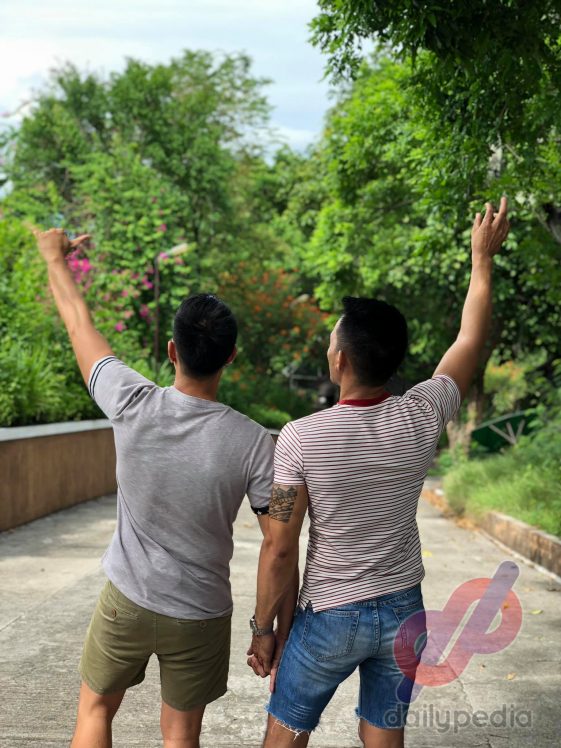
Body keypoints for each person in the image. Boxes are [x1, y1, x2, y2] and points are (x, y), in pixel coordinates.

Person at [248, 199, 510, 747]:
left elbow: (278, 546)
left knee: (284, 736)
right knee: (386, 738)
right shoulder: (422, 413)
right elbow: (468, 341)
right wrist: (481, 260)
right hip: (403, 613)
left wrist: (264, 628)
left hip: (329, 616)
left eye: (331, 343)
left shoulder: (300, 437)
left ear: (341, 360)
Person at [32, 228, 294, 748]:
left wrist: (54, 258)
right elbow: (281, 542)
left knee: (95, 711)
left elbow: (79, 323)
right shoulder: (257, 444)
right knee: (179, 736)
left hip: (126, 601)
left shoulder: (129, 400)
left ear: (173, 350)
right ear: (231, 356)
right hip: (201, 615)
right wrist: (268, 629)